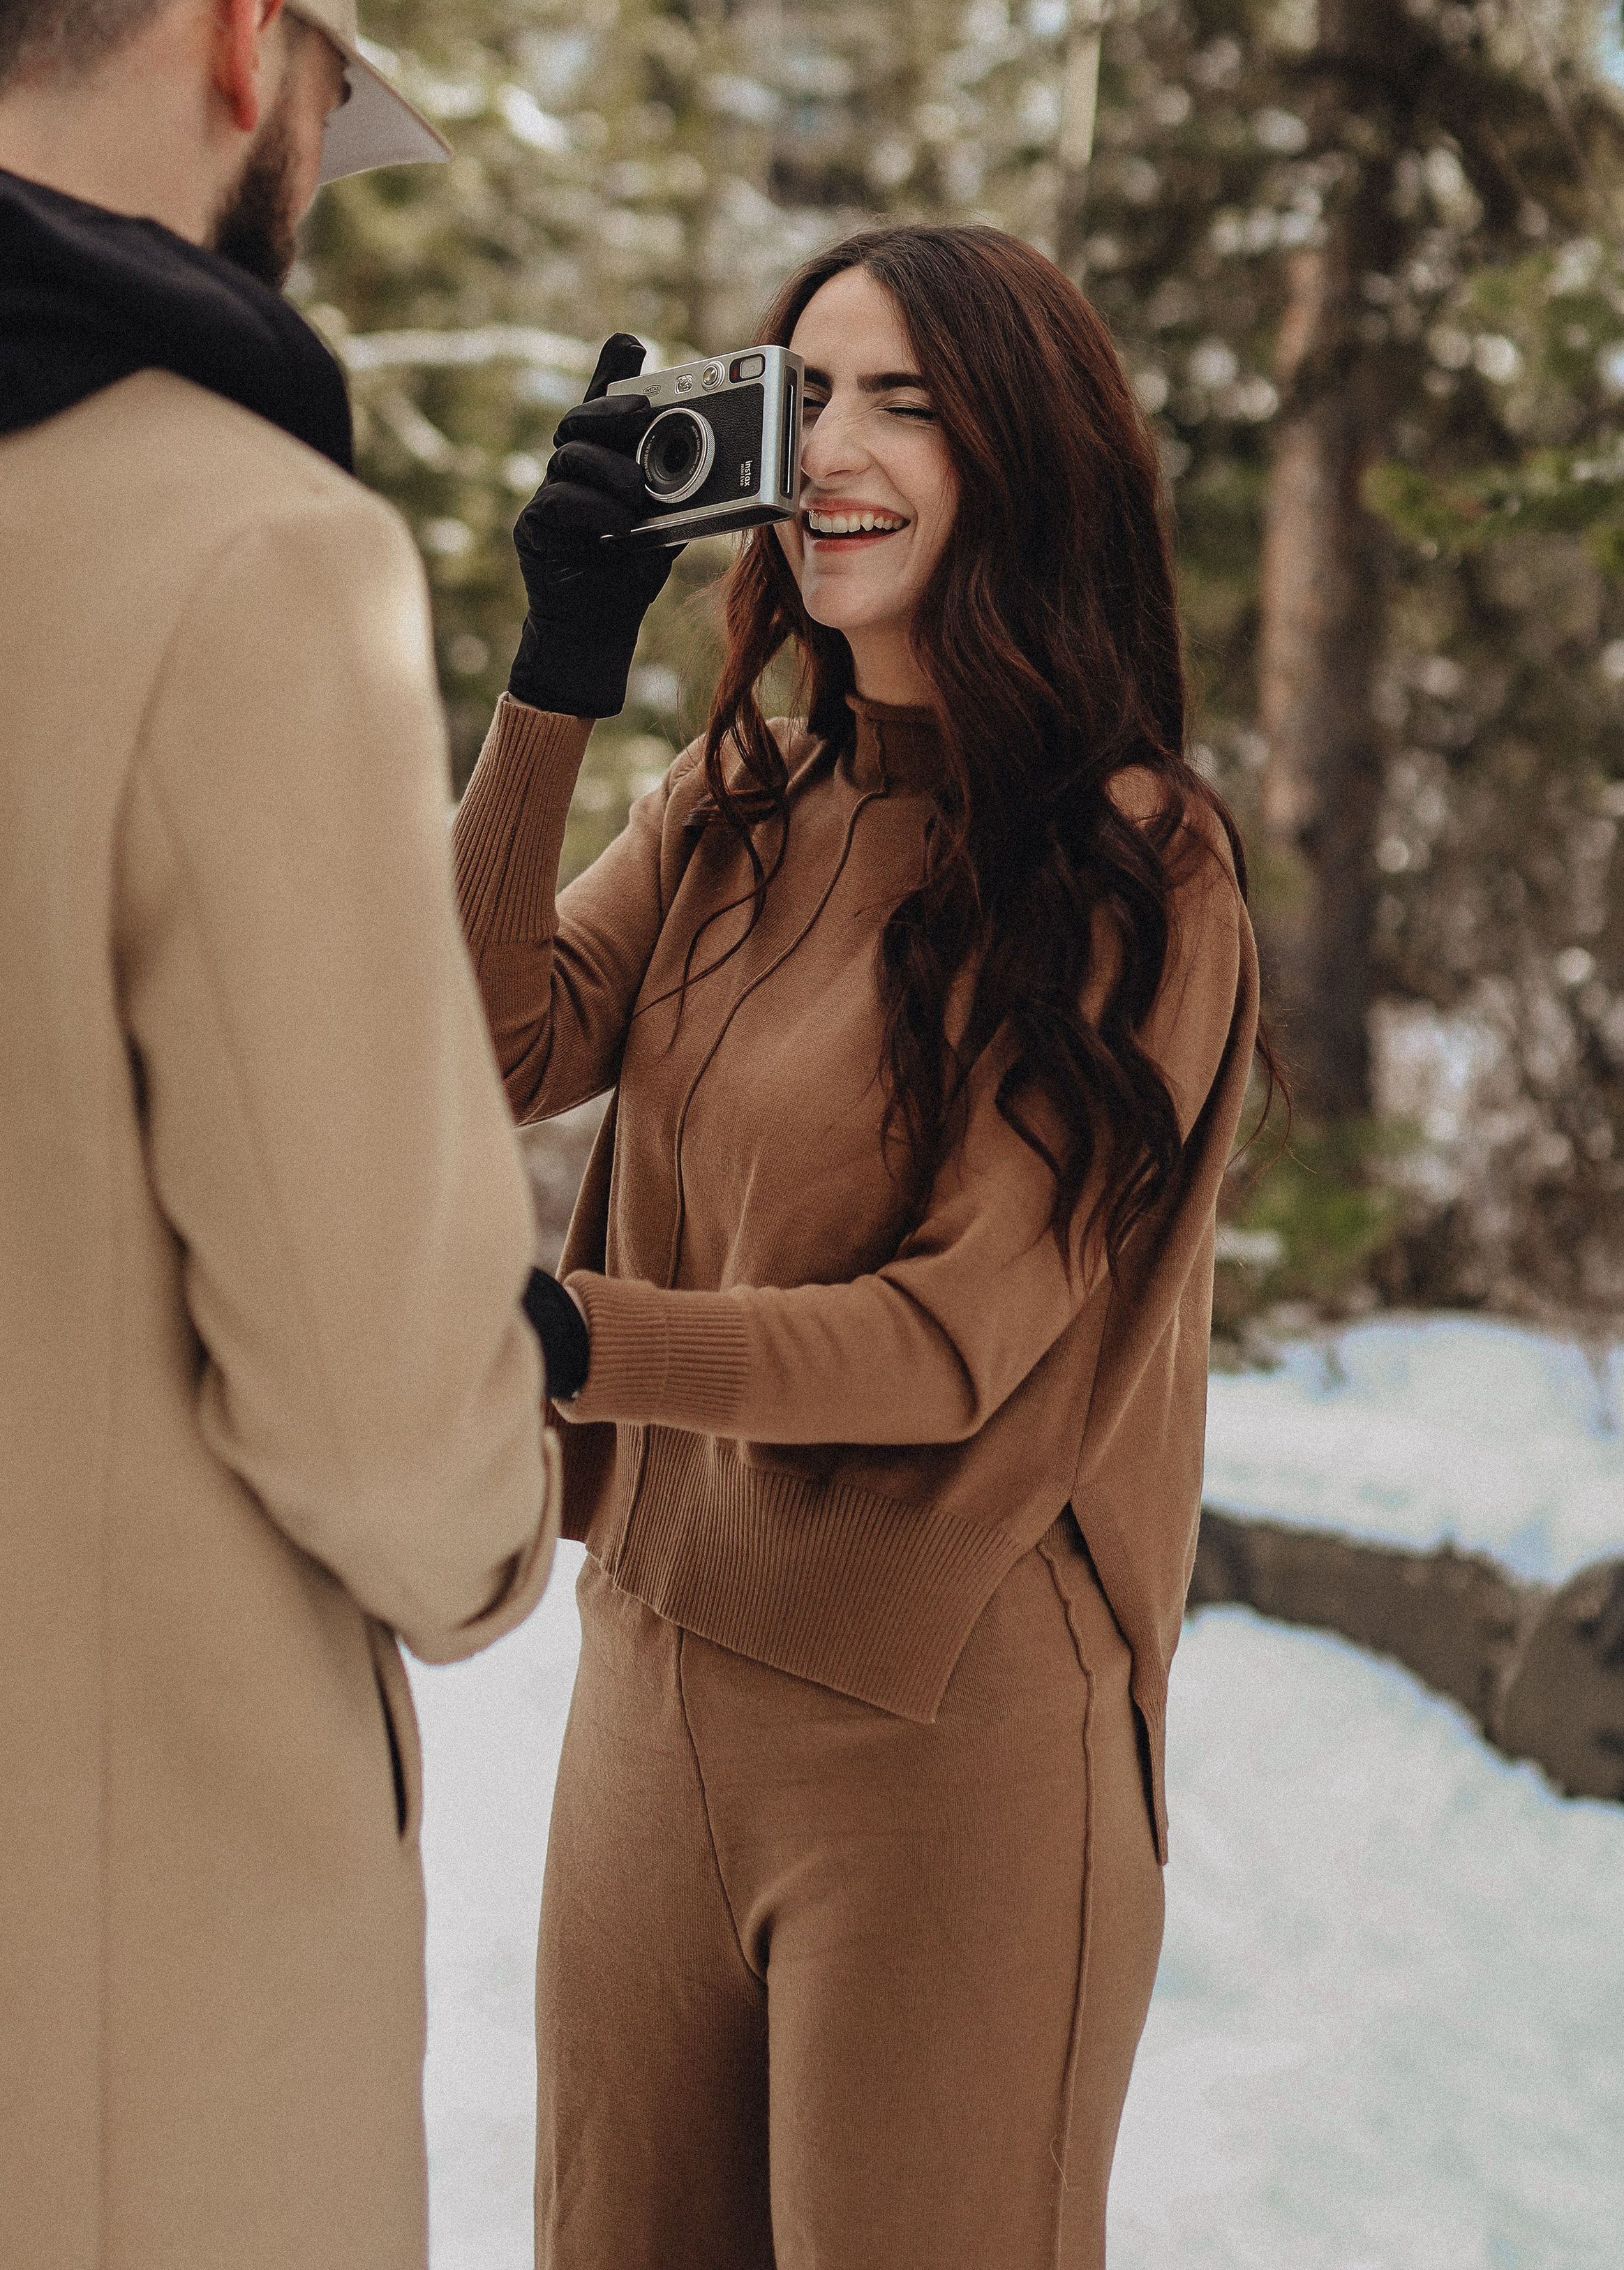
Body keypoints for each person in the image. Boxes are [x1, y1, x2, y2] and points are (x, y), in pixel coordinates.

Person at [0, 0, 563, 2270]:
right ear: (257, 41)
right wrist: (506, 1530)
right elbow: (375, 1385)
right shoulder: (254, 554)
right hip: (112, 1986)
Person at [454, 222, 1271, 2269]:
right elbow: (482, 1044)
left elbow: (950, 1337)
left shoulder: (1135, 863)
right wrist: (559, 672)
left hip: (952, 1740)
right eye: (808, 392)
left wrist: (565, 1338)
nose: (836, 445)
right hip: (651, 1696)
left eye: (905, 398)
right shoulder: (743, 804)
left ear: (1028, 453)